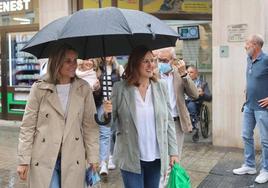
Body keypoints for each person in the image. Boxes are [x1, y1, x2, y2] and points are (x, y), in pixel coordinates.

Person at [16, 44, 99, 188]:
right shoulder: (39, 88)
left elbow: (90, 126)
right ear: (56, 62)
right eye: (68, 61)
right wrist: (23, 160)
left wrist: (93, 157)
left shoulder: (83, 88)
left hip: (74, 157)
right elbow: (28, 125)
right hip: (44, 156)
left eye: (75, 60)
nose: (73, 65)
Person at [103, 46, 179, 188]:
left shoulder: (160, 86)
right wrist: (107, 113)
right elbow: (110, 125)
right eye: (145, 61)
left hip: (156, 156)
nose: (151, 65)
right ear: (135, 63)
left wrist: (173, 152)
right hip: (130, 156)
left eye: (152, 60)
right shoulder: (120, 88)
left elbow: (168, 121)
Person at [233, 34, 268, 184]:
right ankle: (249, 165)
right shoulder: (249, 59)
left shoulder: (266, 59)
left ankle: (266, 170)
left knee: (266, 141)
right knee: (246, 135)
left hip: (262, 108)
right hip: (249, 105)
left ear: (255, 45)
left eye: (247, 43)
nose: (245, 46)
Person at [157, 47, 198, 161]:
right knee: (160, 160)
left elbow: (195, 94)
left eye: (164, 61)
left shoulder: (180, 74)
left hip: (176, 123)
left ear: (173, 60)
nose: (161, 63)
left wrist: (185, 75)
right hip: (159, 122)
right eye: (159, 60)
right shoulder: (154, 75)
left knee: (175, 160)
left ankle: (172, 179)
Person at [94, 56, 124, 176]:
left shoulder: (118, 69)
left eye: (111, 55)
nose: (108, 57)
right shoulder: (98, 70)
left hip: (116, 104)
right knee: (104, 133)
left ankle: (114, 156)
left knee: (116, 132)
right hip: (103, 104)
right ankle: (103, 163)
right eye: (106, 55)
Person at [186, 65, 212, 142]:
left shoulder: (202, 83)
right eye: (187, 72)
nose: (189, 74)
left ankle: (195, 127)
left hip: (196, 103)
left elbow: (209, 97)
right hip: (184, 103)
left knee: (191, 105)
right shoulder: (183, 81)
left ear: (196, 74)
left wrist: (202, 93)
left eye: (191, 72)